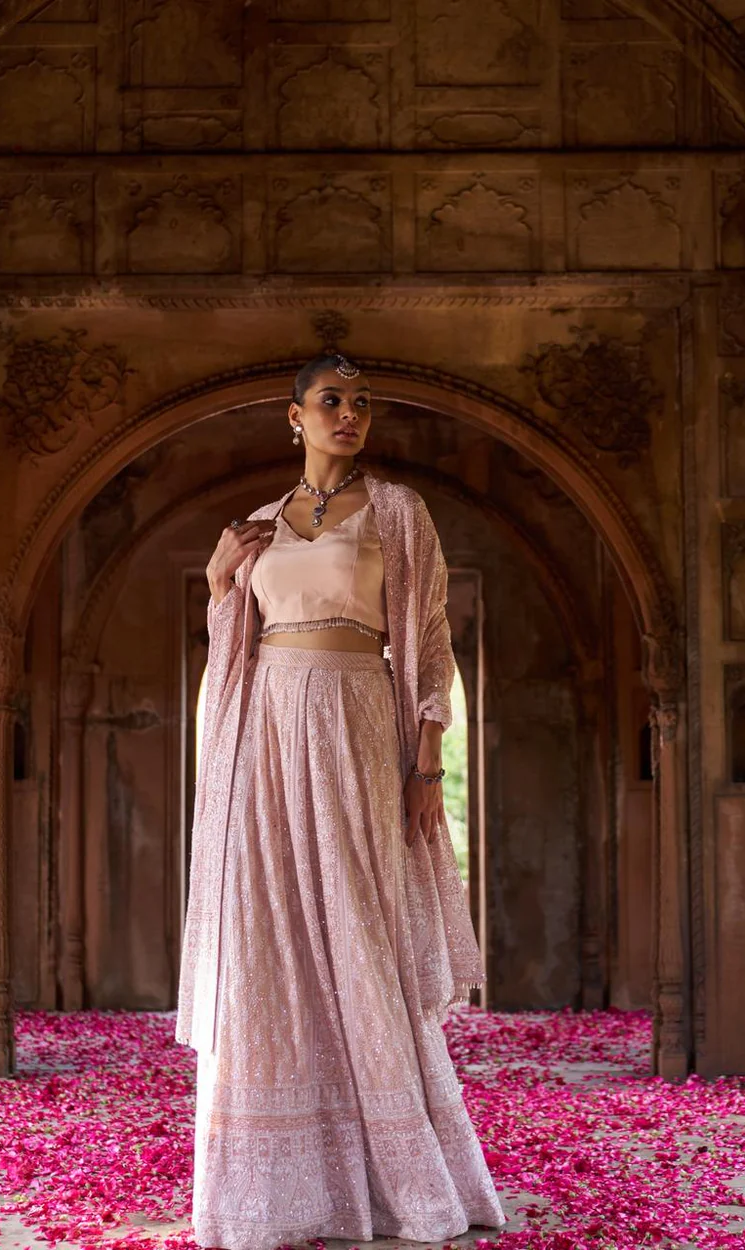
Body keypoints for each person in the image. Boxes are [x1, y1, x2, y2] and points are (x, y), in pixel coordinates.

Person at [176, 353, 507, 1250]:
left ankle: (394, 1177)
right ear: (295, 417)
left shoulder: (399, 513)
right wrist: (217, 585)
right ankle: (281, 1192)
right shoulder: (251, 529)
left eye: (362, 403)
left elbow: (429, 641)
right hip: (266, 739)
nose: (350, 415)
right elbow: (231, 652)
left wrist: (425, 762)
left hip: (361, 720)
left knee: (361, 934)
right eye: (332, 402)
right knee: (268, 940)